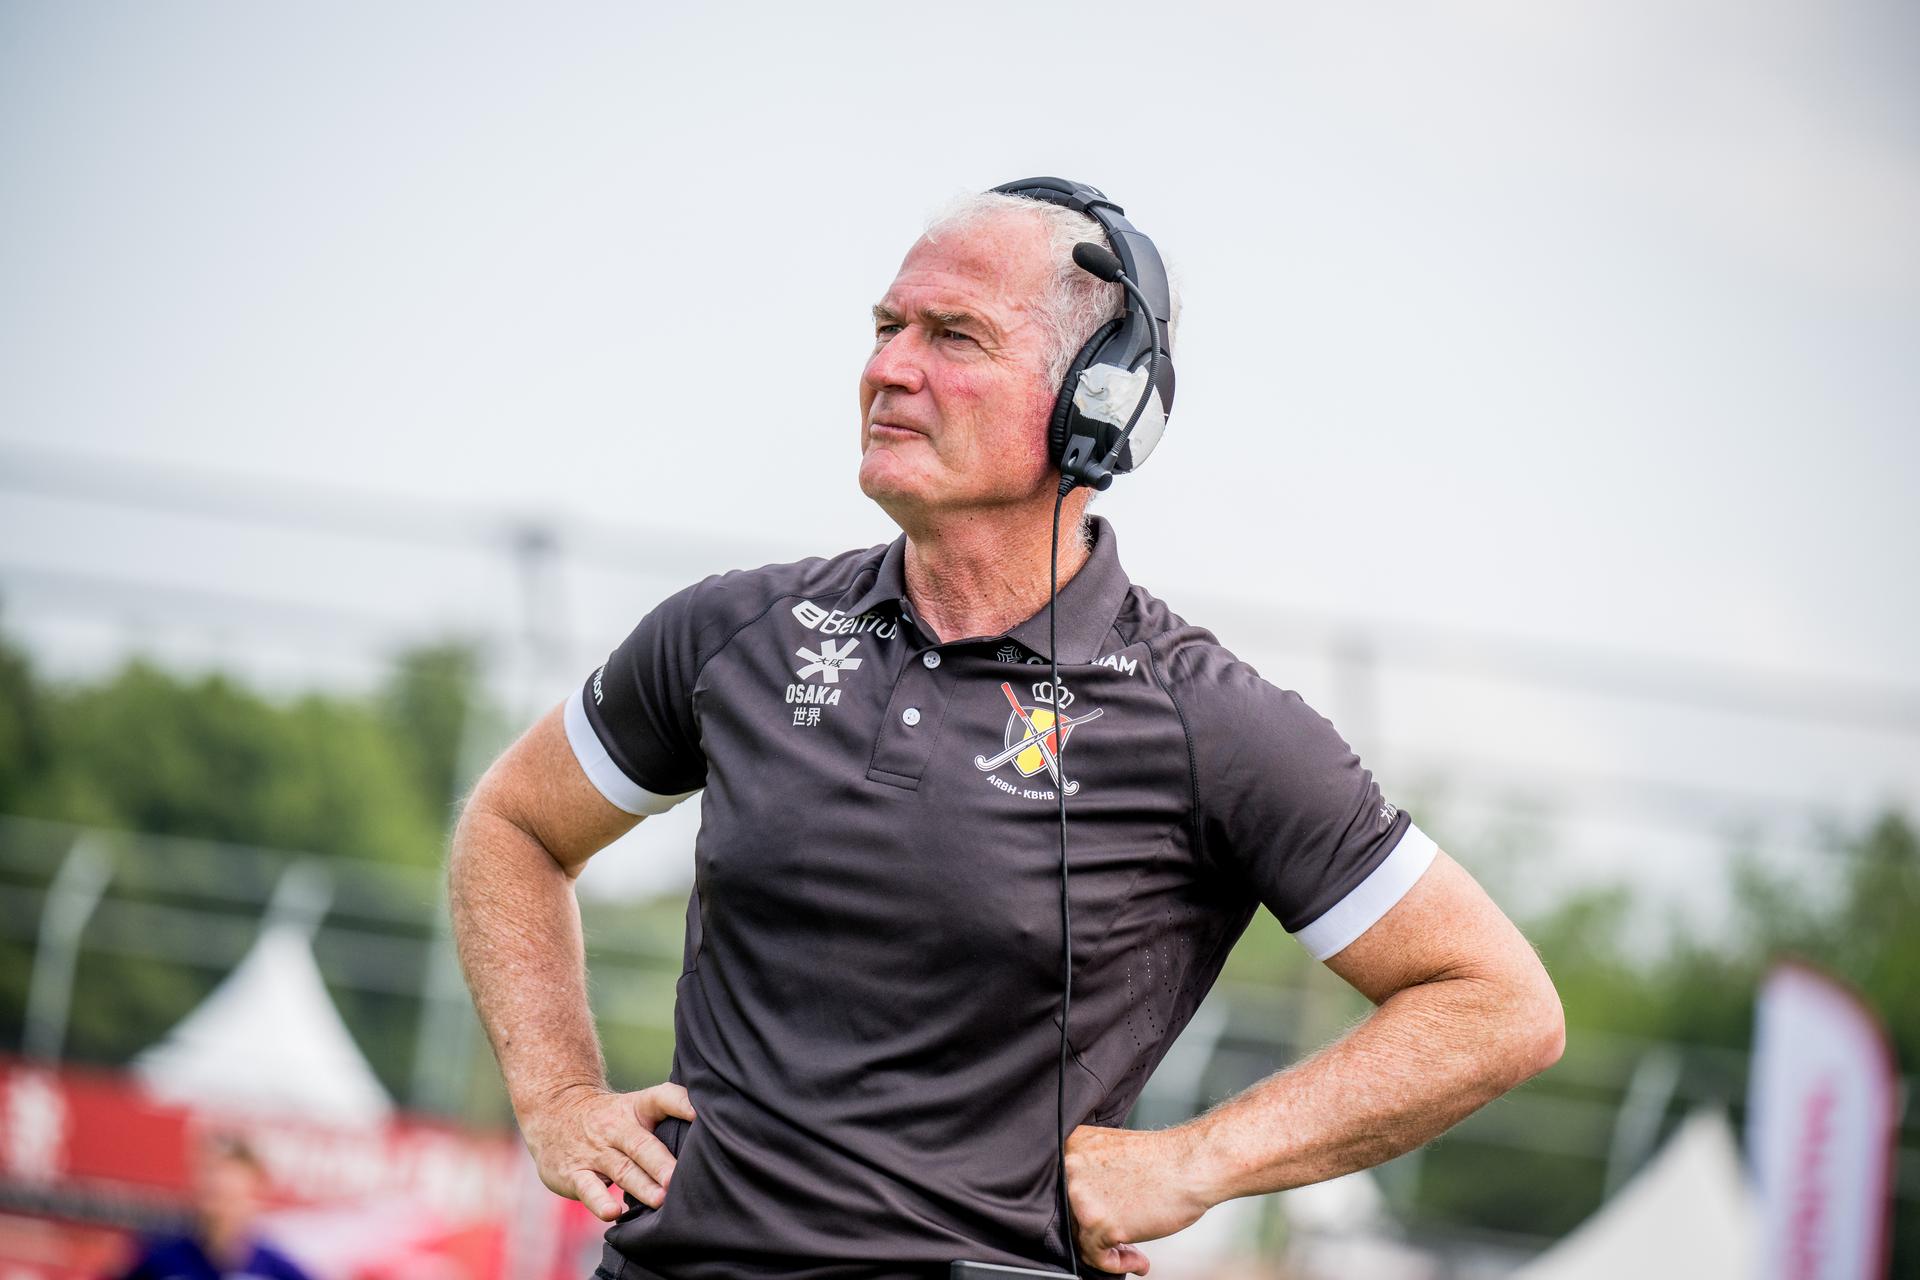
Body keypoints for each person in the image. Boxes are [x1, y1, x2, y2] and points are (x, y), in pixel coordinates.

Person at [448, 179, 1565, 1280]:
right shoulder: (736, 631)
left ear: (1097, 402)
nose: (890, 367)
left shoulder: (1209, 720)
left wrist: (1197, 1161)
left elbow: (1496, 1003)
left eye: (955, 335)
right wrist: (559, 1097)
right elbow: (514, 825)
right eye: (887, 327)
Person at [109, 1134, 313, 1280]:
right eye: (208, 1172)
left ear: (255, 1191)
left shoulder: (275, 1269)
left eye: (227, 1177)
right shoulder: (160, 1259)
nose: (215, 1182)